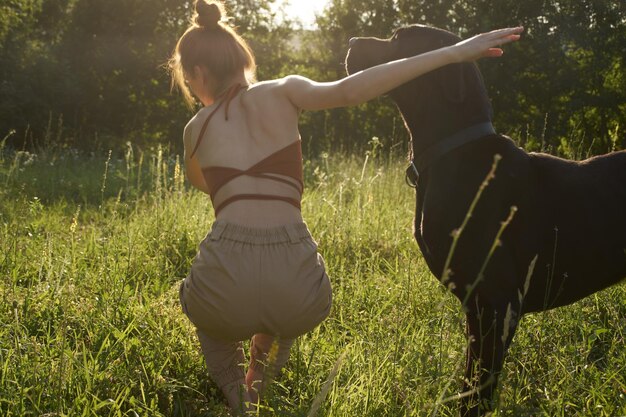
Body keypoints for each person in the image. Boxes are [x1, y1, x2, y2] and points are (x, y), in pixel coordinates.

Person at [170, 0, 522, 414]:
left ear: (198, 74)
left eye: (190, 85)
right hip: (298, 291)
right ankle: (264, 370)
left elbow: (203, 184)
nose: (194, 92)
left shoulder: (195, 129)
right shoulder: (284, 90)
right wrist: (455, 52)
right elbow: (355, 89)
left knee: (195, 301)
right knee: (282, 305)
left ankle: (234, 386)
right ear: (241, 60)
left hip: (225, 283)